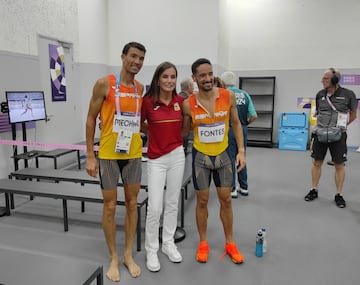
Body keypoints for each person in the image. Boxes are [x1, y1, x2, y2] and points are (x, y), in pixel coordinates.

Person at [85, 42, 146, 282]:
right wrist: (90, 155)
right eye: (133, 56)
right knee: (110, 206)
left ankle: (128, 255)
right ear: (122, 57)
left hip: (132, 154)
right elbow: (91, 118)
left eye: (141, 58)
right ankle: (113, 256)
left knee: (132, 204)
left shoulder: (140, 88)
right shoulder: (105, 84)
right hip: (109, 154)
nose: (137, 62)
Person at [182, 58, 246, 264]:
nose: (208, 78)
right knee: (201, 201)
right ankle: (203, 242)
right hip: (200, 158)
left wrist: (242, 151)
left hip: (224, 157)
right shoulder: (187, 104)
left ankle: (229, 243)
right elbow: (183, 131)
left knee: (226, 200)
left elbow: (236, 124)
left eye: (210, 74)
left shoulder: (228, 96)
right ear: (194, 78)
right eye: (202, 75)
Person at [141, 62, 185, 272]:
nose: (169, 81)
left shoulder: (180, 101)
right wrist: (153, 134)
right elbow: (140, 124)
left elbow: (186, 124)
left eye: (173, 77)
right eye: (165, 76)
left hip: (177, 155)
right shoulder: (148, 102)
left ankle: (168, 242)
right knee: (155, 206)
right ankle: (152, 249)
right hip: (156, 158)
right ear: (158, 79)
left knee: (172, 202)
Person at [304, 68, 357, 208]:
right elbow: (318, 113)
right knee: (317, 162)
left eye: (326, 79)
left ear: (334, 80)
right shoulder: (320, 94)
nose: (323, 81)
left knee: (339, 165)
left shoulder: (348, 94)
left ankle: (339, 194)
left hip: (338, 135)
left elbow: (353, 114)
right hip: (321, 134)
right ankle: (313, 189)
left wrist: (341, 127)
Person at [221, 71, 257, 198]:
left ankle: (232, 188)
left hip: (229, 129)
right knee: (241, 156)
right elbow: (254, 115)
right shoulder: (245, 94)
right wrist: (245, 123)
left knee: (230, 158)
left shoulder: (224, 94)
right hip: (243, 128)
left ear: (223, 83)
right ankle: (244, 187)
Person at [179, 77, 194, 152]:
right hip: (184, 131)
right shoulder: (187, 100)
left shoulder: (177, 97)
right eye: (192, 85)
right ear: (189, 87)